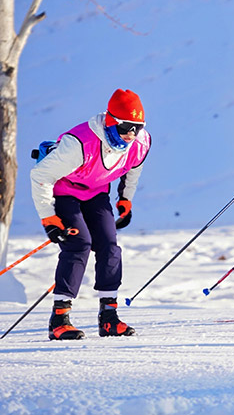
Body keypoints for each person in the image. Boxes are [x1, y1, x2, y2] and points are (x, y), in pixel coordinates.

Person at [31, 89, 150, 340]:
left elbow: (133, 168)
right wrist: (48, 217)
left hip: (96, 192)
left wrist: (125, 198)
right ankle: (59, 320)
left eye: (136, 128)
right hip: (64, 190)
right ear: (110, 121)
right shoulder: (80, 143)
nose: (130, 135)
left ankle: (109, 317)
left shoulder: (139, 143)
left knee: (109, 245)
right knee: (79, 244)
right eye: (125, 127)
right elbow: (40, 175)